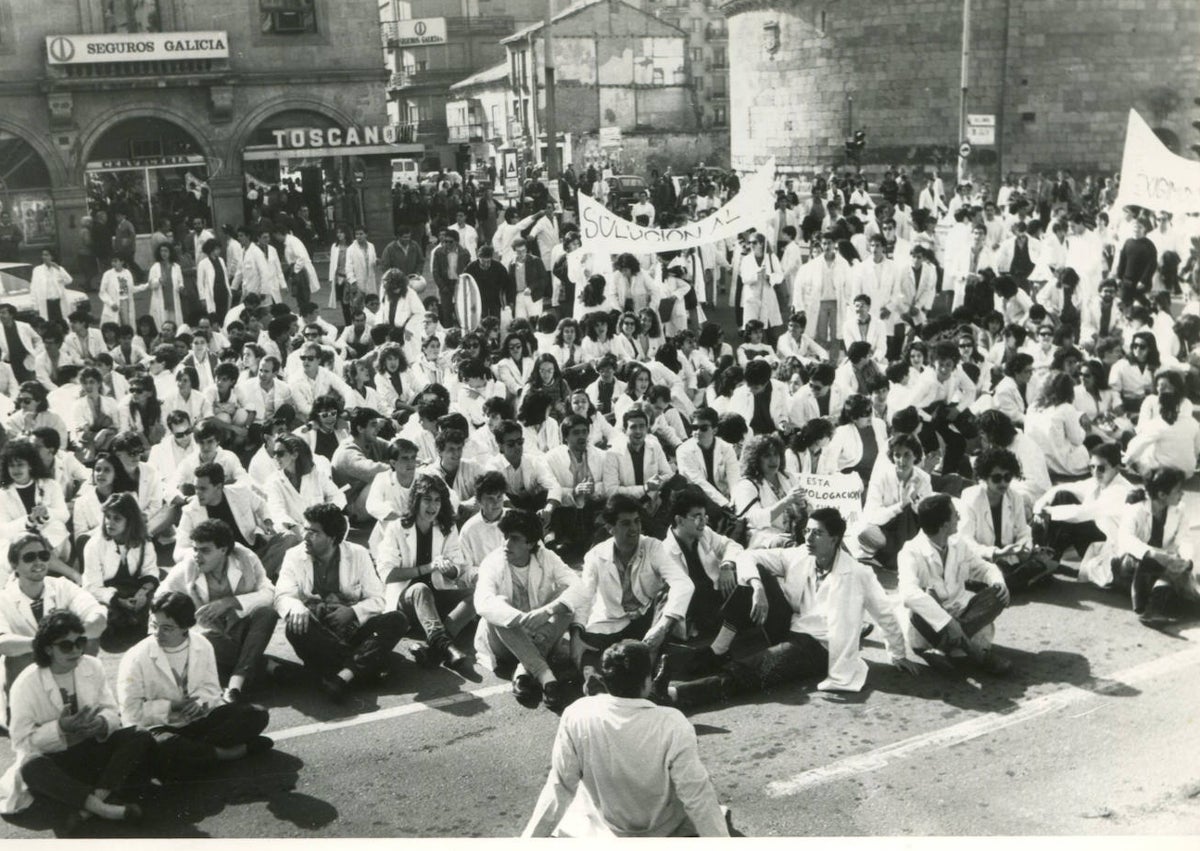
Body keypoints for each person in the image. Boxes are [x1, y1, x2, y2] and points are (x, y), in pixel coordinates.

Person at [669, 507, 918, 706]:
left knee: (754, 668)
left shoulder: (858, 573)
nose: (808, 538)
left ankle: (680, 695)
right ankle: (717, 651)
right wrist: (757, 587)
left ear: (835, 539)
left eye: (817, 533)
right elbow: (747, 555)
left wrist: (897, 653)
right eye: (807, 531)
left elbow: (885, 613)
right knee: (753, 576)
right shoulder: (800, 555)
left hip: (820, 647)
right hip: (791, 627)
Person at [523, 640, 729, 838]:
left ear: (605, 679)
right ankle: (660, 696)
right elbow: (697, 796)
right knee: (700, 782)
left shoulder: (576, 714)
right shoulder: (673, 723)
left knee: (577, 797)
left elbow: (560, 786)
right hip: (664, 829)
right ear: (647, 680)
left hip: (608, 828)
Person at [0, 611, 152, 822]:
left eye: (80, 642)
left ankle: (92, 804)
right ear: (47, 648)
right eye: (66, 645)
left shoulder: (92, 665)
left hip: (91, 751)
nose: (76, 650)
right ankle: (105, 809)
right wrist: (60, 728)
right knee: (30, 767)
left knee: (140, 735)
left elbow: (112, 711)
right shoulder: (27, 683)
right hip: (57, 761)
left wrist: (101, 723)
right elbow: (21, 743)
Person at [117, 592, 272, 778]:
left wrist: (199, 702)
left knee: (257, 714)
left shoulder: (202, 644)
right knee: (163, 745)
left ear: (186, 627)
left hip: (198, 722)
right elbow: (130, 713)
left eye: (166, 628)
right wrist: (171, 706)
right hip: (161, 727)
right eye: (153, 625)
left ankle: (195, 755)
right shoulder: (135, 657)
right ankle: (227, 753)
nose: (157, 634)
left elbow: (213, 691)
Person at [274, 504, 408, 702]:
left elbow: (379, 598)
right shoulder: (294, 555)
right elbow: (282, 595)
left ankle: (338, 675)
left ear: (332, 538)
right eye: (305, 529)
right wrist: (297, 607)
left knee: (397, 619)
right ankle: (360, 668)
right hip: (320, 637)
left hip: (353, 631)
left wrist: (352, 612)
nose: (305, 536)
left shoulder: (358, 554)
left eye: (314, 532)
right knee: (294, 627)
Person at [571, 494, 694, 693]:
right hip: (613, 621)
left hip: (648, 621)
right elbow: (584, 598)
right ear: (610, 528)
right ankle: (596, 684)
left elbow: (683, 584)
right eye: (626, 523)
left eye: (637, 521)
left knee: (667, 592)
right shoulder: (595, 555)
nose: (635, 528)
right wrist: (576, 636)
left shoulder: (653, 546)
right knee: (586, 646)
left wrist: (662, 627)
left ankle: (645, 677)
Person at [474, 509, 588, 711]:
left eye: (515, 539)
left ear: (530, 543)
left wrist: (548, 610)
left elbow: (579, 587)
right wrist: (520, 619)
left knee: (565, 603)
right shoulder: (493, 561)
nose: (506, 545)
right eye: (506, 537)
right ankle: (546, 677)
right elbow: (482, 601)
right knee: (498, 609)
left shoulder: (547, 557)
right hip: (503, 642)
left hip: (539, 634)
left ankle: (523, 671)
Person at [156, 519, 279, 703]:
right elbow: (159, 599)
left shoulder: (245, 559)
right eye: (195, 549)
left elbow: (269, 592)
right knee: (203, 640)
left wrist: (229, 602)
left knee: (267, 614)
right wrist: (157, 641)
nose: (197, 555)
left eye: (205, 550)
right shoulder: (188, 566)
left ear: (224, 550)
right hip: (211, 636)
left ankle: (237, 682)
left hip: (241, 628)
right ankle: (258, 669)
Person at [898, 494, 1012, 674]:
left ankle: (946, 647)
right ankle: (977, 655)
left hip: (962, 615)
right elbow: (908, 593)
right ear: (944, 525)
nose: (959, 518)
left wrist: (998, 582)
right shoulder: (910, 551)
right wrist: (949, 623)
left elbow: (984, 569)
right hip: (930, 626)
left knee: (996, 595)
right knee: (921, 600)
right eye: (955, 515)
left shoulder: (959, 543)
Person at [376, 473, 472, 670]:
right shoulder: (396, 528)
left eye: (438, 500)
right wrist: (427, 568)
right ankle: (446, 647)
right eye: (427, 500)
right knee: (420, 589)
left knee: (476, 595)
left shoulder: (447, 527)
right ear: (416, 500)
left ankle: (435, 647)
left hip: (436, 597)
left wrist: (449, 569)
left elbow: (458, 569)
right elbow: (387, 574)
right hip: (406, 602)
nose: (433, 506)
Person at [175, 462, 297, 581]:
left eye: (203, 489)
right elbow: (179, 551)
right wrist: (201, 553)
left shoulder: (241, 492)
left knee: (290, 537)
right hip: (224, 566)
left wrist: (268, 522)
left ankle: (253, 579)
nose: (197, 493)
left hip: (255, 553)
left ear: (218, 486)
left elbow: (261, 505)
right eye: (196, 488)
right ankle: (257, 580)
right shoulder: (190, 511)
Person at [957, 448, 1057, 592]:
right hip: (982, 559)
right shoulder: (971, 498)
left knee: (1047, 561)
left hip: (1010, 559)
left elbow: (1024, 531)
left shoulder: (1015, 497)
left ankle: (1002, 584)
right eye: (997, 478)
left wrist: (1024, 548)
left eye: (1008, 477)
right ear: (985, 477)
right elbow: (966, 541)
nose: (1003, 483)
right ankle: (1010, 582)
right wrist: (995, 553)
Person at [1114, 467, 1197, 626]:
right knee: (1149, 560)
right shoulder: (1136, 508)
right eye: (1178, 490)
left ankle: (1157, 604)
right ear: (1161, 495)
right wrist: (1151, 553)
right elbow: (1125, 539)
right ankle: (1150, 608)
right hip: (1130, 565)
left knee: (1179, 576)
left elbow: (1184, 539)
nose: (1182, 494)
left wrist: (1186, 561)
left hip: (1163, 566)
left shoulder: (1179, 510)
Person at [81, 492, 159, 635]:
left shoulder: (144, 542)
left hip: (134, 591)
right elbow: (91, 586)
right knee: (101, 616)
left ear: (130, 521)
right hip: (106, 595)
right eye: (108, 517)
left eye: (117, 518)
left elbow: (151, 571)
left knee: (159, 602)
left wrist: (142, 593)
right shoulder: (94, 545)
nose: (109, 523)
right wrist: (118, 601)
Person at [858, 433, 933, 571]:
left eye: (907, 455)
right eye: (897, 455)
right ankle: (896, 558)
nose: (901, 461)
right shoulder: (881, 477)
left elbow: (928, 517)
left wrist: (915, 501)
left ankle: (900, 559)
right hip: (885, 528)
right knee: (864, 531)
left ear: (916, 456)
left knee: (910, 513)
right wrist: (899, 506)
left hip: (911, 529)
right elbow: (871, 515)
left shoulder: (923, 478)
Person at [730, 433, 804, 548]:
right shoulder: (746, 484)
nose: (773, 460)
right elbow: (755, 520)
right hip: (763, 540)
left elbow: (807, 510)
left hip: (792, 537)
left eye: (776, 455)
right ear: (755, 459)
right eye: (767, 456)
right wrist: (787, 501)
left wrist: (803, 506)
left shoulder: (788, 477)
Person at [29, 249, 72, 326]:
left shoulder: (59, 269)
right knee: (48, 324)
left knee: (62, 323)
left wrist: (58, 269)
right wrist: (35, 305)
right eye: (43, 255)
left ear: (52, 256)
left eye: (47, 255)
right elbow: (33, 288)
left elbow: (69, 280)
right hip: (46, 303)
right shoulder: (37, 270)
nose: (44, 257)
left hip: (58, 302)